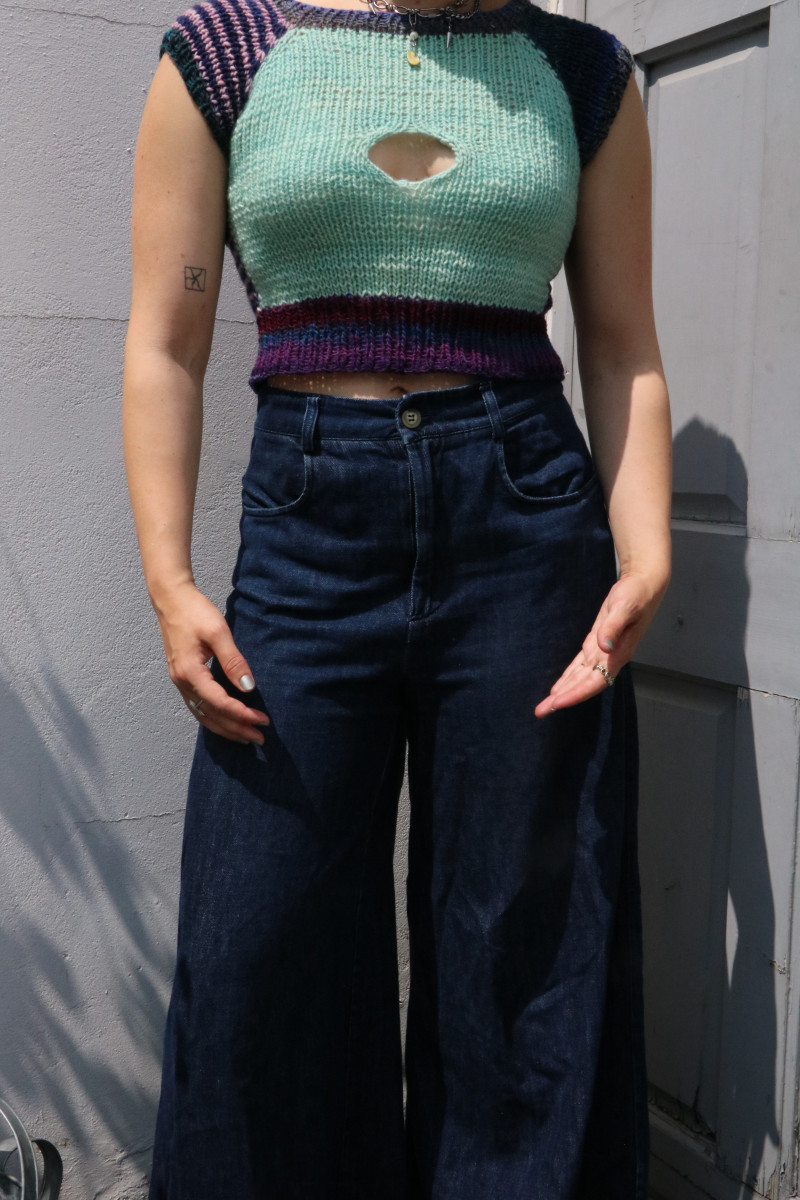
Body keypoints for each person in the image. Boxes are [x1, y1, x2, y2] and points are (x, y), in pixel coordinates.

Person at [122, 0, 672, 1193]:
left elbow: (622, 343)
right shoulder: (226, 54)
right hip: (308, 526)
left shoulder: (578, 73)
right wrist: (168, 581)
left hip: (524, 519)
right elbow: (165, 341)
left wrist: (643, 552)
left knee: (523, 930)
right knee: (259, 937)